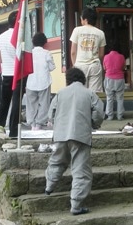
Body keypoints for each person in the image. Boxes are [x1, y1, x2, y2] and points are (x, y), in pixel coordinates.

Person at [44, 67, 104, 215]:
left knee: (57, 161)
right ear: (83, 80)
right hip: (80, 135)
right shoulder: (89, 93)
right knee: (80, 170)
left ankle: (49, 186)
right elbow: (99, 112)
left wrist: (57, 124)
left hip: (60, 134)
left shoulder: (60, 93)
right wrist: (93, 124)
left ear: (68, 80)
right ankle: (76, 205)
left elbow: (51, 114)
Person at [0, 10, 26, 138]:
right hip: (18, 73)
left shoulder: (1, 36)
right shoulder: (20, 36)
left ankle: (0, 126)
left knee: (5, 101)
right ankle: (13, 130)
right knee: (16, 102)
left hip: (6, 72)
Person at [69, 7, 106, 93]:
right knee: (94, 94)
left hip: (80, 65)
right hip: (95, 65)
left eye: (81, 18)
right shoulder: (100, 33)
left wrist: (75, 65)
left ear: (85, 19)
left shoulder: (77, 30)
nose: (81, 20)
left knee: (80, 92)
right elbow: (101, 54)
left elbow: (73, 52)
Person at [26, 32, 56, 130]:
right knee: (44, 103)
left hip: (30, 81)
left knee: (31, 103)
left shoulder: (29, 53)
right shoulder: (47, 53)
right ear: (44, 42)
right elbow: (52, 67)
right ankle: (40, 123)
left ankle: (32, 123)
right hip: (44, 81)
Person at [103, 43, 126, 121]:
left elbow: (104, 68)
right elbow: (124, 67)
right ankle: (120, 116)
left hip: (109, 78)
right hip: (120, 79)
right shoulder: (122, 57)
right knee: (120, 98)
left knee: (109, 98)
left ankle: (110, 116)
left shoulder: (106, 57)